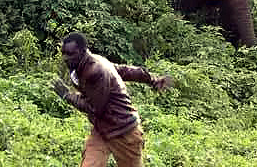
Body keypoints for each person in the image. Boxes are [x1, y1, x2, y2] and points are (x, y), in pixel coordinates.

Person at [52, 31, 173, 167]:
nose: (65, 58)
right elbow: (125, 71)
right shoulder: (86, 64)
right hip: (101, 130)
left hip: (124, 131)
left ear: (82, 52)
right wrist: (152, 79)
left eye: (70, 54)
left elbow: (94, 108)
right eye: (64, 53)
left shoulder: (96, 70)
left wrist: (67, 96)